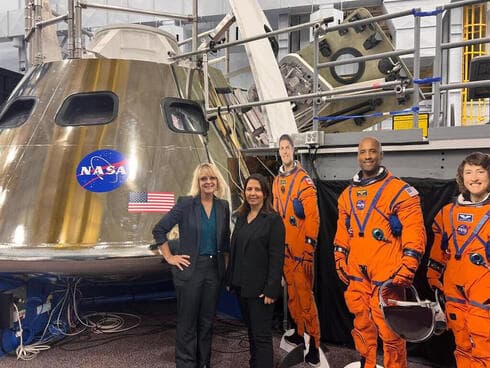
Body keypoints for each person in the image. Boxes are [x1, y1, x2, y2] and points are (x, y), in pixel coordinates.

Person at [333, 136, 426, 368]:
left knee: (391, 331)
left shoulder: (400, 191)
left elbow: (415, 231)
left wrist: (409, 264)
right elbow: (343, 233)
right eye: (363, 152)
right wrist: (339, 256)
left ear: (381, 154)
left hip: (387, 274)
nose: (367, 156)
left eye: (372, 151)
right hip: (357, 273)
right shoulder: (347, 196)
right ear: (358, 156)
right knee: (362, 325)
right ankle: (367, 363)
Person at [152, 162, 230, 368]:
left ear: (217, 181)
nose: (208, 182)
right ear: (198, 182)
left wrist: (226, 270)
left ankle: (203, 363)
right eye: (203, 178)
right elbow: (159, 230)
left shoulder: (223, 206)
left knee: (206, 323)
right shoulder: (186, 204)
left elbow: (225, 242)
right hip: (190, 272)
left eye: (212, 178)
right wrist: (170, 257)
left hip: (214, 272)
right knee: (187, 324)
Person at [427, 152, 490, 368]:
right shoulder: (448, 213)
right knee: (462, 345)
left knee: (484, 348)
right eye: (469, 172)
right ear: (462, 178)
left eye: (480, 172)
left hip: (484, 293)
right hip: (454, 291)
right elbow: (439, 248)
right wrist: (433, 275)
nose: (474, 177)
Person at [272, 134, 321, 366]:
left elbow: (313, 217)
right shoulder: (276, 180)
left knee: (305, 299)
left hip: (301, 251)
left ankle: (315, 344)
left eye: (288, 148)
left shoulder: (304, 180)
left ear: (293, 150)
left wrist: (309, 248)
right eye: (281, 149)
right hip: (284, 250)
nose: (284, 152)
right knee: (292, 297)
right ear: (278, 152)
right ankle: (299, 333)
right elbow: (274, 214)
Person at [227, 173, 285, 368]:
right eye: (249, 189)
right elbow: (235, 249)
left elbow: (277, 258)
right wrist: (230, 280)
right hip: (242, 287)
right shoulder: (242, 217)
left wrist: (271, 289)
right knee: (251, 333)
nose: (253, 193)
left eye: (257, 189)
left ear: (265, 193)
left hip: (261, 291)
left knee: (261, 337)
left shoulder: (273, 220)